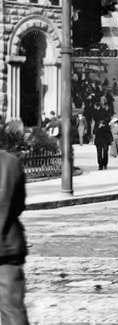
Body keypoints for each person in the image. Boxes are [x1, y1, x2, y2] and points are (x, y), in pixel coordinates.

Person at [0, 123, 28, 325]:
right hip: (7, 249)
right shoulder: (11, 163)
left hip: (8, 250)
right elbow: (19, 205)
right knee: (13, 312)